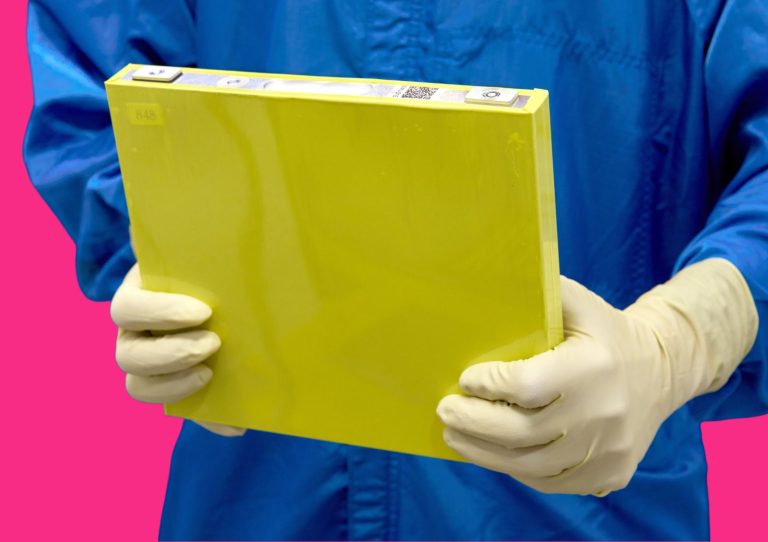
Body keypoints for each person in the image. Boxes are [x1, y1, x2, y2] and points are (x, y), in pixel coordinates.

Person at [23, 1, 767, 539]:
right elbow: (97, 85)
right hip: (259, 493)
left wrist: (679, 339)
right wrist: (159, 245)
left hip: (584, 505)